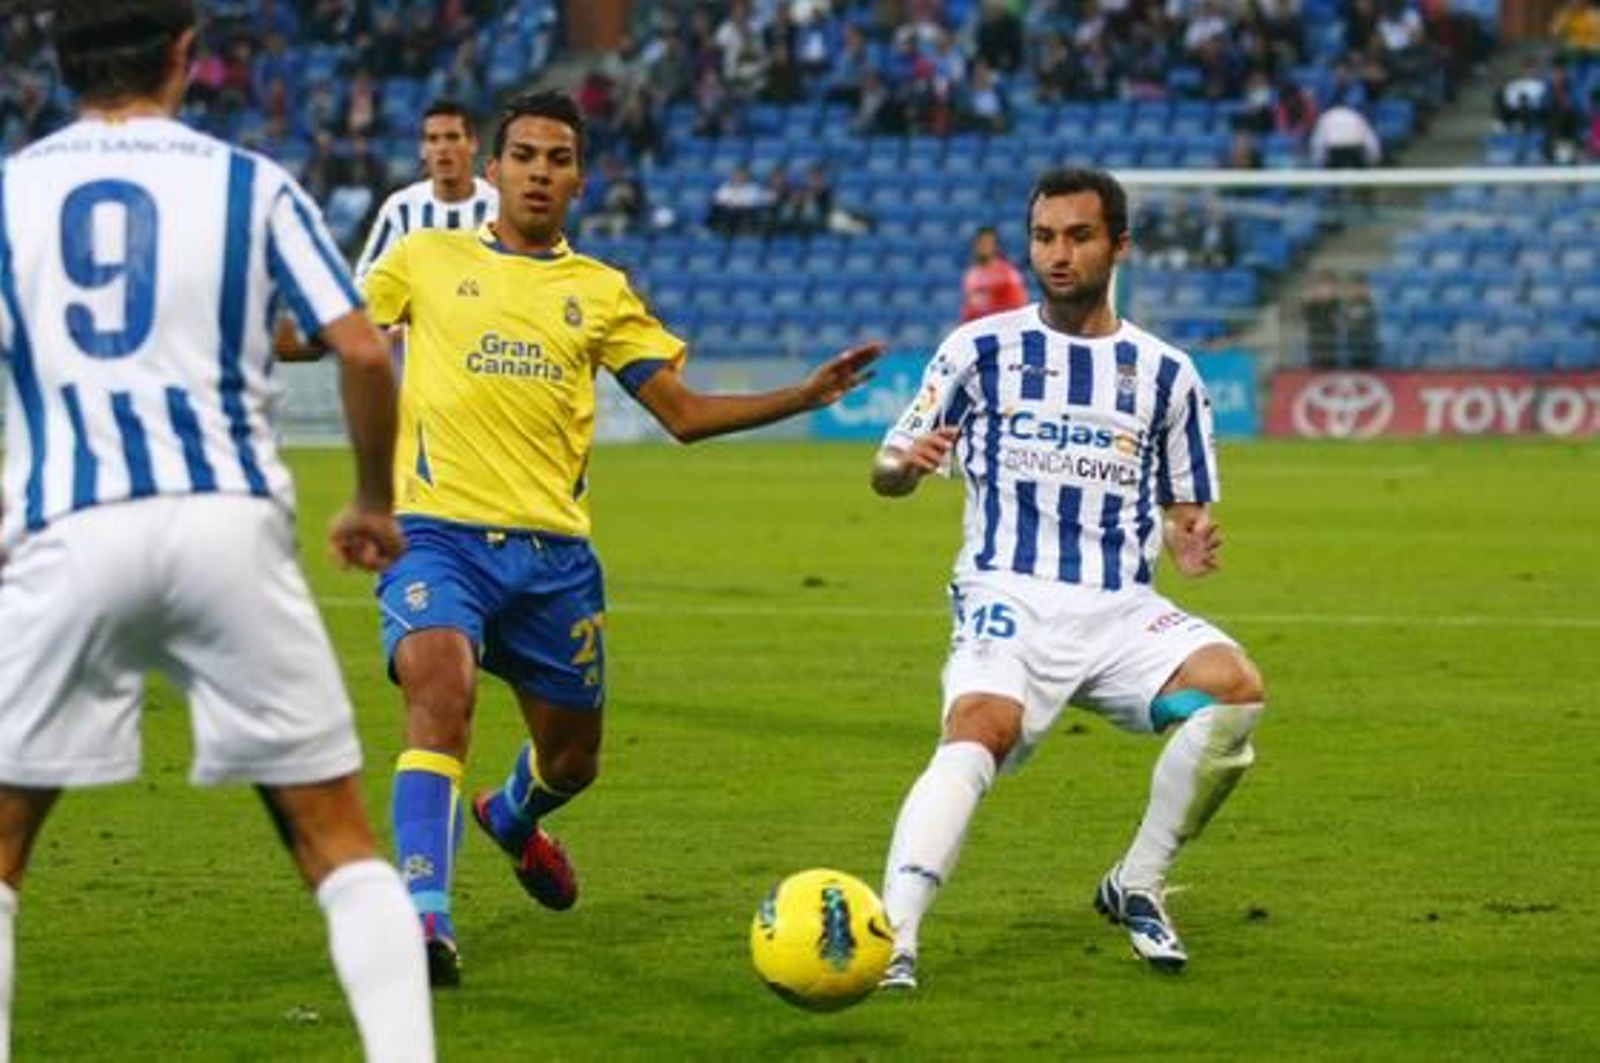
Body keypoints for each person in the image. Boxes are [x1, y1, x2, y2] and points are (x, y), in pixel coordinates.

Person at [355, 90, 882, 987]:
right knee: (438, 691)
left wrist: (802, 395)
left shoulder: (599, 292)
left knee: (573, 758)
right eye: (523, 155)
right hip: (436, 535)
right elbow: (330, 334)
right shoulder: (423, 259)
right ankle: (422, 916)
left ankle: (512, 817)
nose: (539, 172)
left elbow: (679, 414)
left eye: (558, 159)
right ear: (493, 170)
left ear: (579, 180)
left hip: (553, 560)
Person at [0, 2, 435, 1058]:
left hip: (67, 527)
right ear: (185, 57)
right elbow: (366, 351)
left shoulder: (11, 192)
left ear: (59, 68)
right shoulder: (250, 182)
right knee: (338, 841)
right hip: (227, 528)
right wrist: (372, 499)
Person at [870, 168, 1267, 990]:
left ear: (1118, 246)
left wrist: (1185, 538)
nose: (1059, 253)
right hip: (1006, 593)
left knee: (1235, 690)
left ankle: (1137, 882)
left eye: (1079, 236)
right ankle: (894, 937)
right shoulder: (978, 348)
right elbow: (887, 464)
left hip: (1121, 609)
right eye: (1045, 236)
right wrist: (904, 466)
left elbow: (1183, 510)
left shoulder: (1168, 375)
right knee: (979, 727)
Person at [352, 98, 498, 279]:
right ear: (422, 149)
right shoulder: (401, 209)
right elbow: (366, 283)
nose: (442, 148)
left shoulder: (500, 206)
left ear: (473, 143)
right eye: (433, 139)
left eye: (452, 137)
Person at [959, 226, 1028, 322]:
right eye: (980, 243)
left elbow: (1018, 305)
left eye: (987, 243)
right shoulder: (971, 275)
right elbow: (969, 308)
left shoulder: (1007, 273)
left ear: (996, 246)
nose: (983, 247)